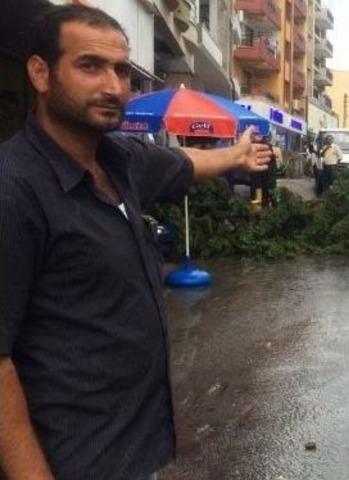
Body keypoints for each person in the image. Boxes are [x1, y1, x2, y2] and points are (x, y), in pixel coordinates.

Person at [0, 6, 273, 480]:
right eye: (90, 66)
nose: (113, 85)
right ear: (41, 73)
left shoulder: (119, 160)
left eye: (121, 70)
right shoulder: (14, 191)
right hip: (69, 460)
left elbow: (185, 162)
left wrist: (236, 155)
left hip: (131, 450)